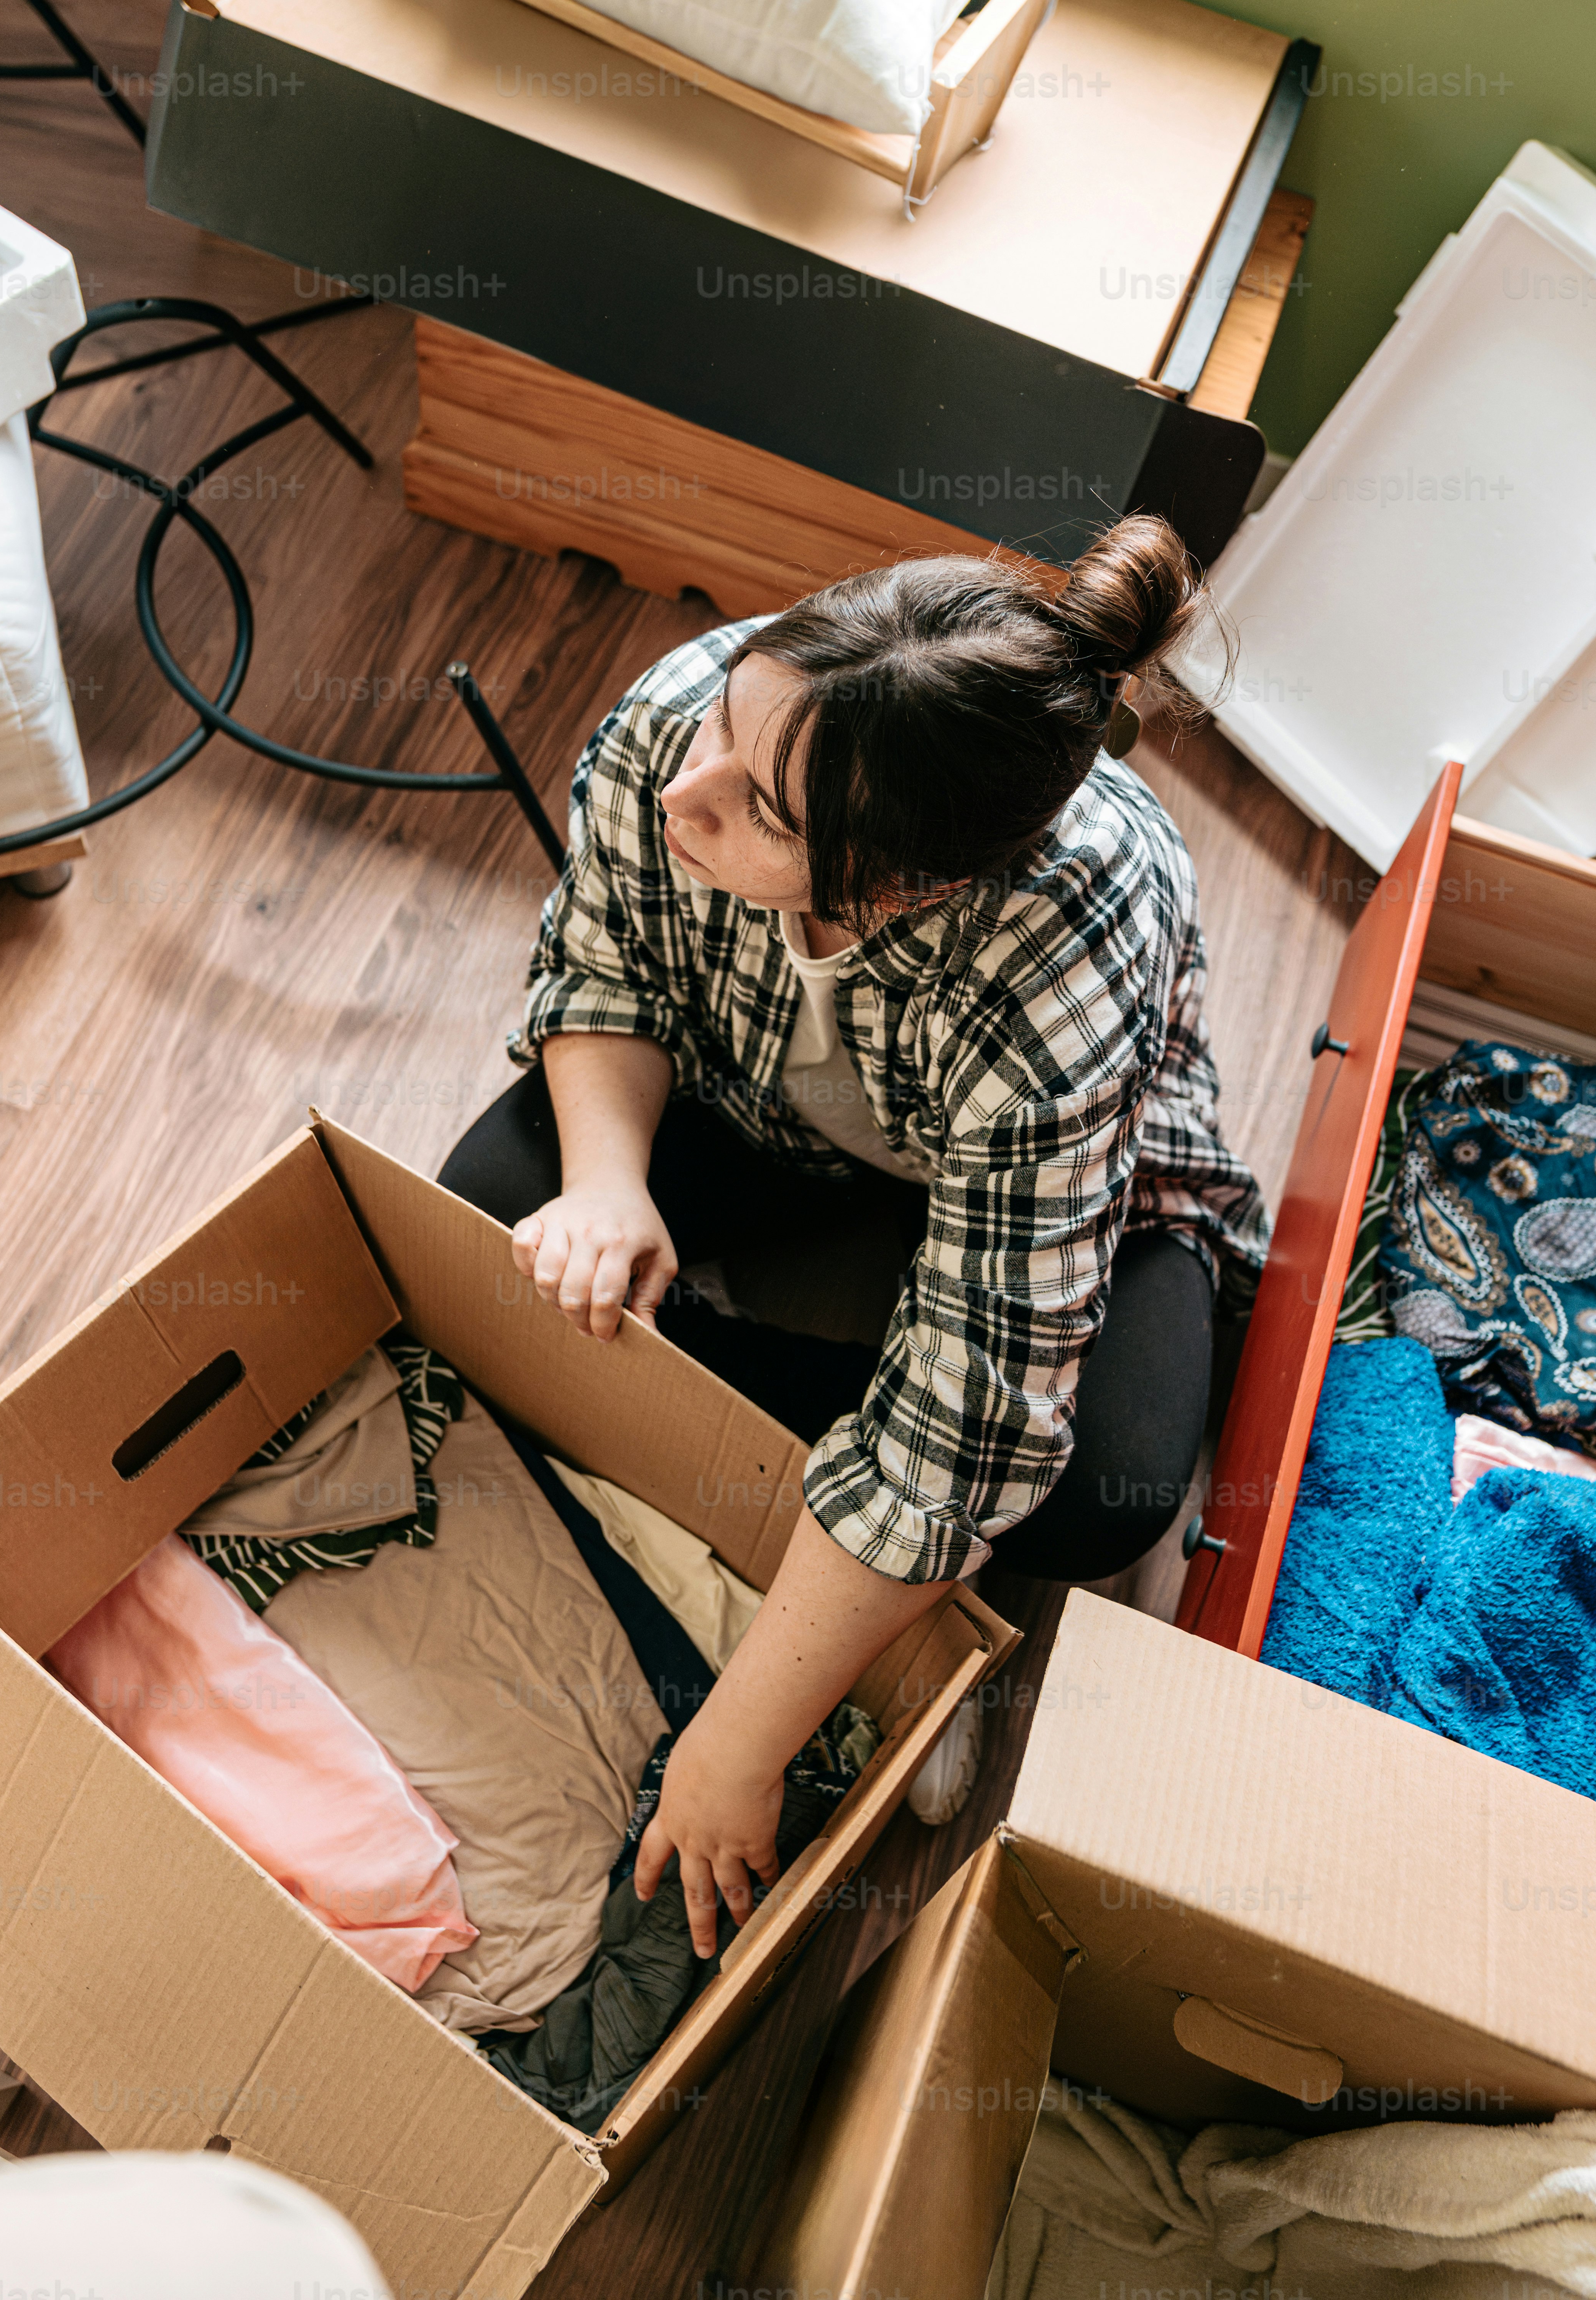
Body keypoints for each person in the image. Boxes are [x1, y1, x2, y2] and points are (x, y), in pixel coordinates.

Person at [439, 514, 1266, 1955]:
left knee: (1114, 1486)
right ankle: (856, 1548)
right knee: (497, 1217)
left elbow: (975, 1430)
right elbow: (604, 964)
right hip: (761, 1094)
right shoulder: (706, 723)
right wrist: (608, 1182)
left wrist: (737, 1749)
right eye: (724, 725)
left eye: (758, 812)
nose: (687, 791)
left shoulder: (1062, 961)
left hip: (1076, 1176)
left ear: (910, 889)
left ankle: (797, 1524)